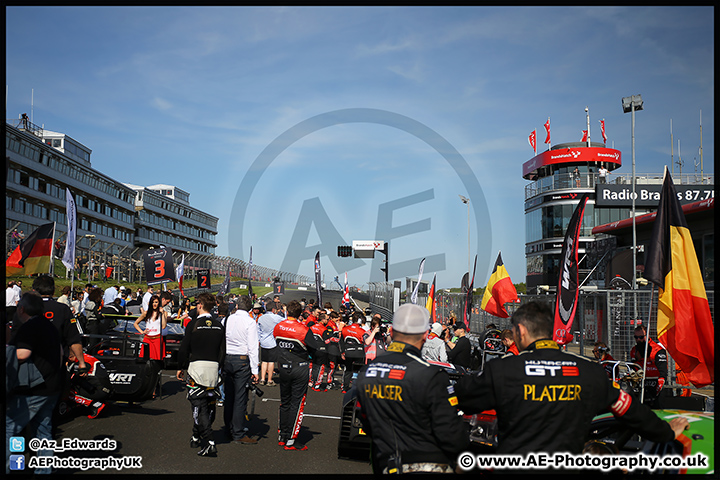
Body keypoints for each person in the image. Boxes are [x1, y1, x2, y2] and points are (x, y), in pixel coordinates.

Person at [454, 301, 689, 455]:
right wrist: (666, 432)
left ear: (521, 331)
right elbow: (628, 409)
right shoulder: (590, 371)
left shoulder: (503, 370)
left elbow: (462, 397)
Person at [355, 304, 468, 474]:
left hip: (386, 463)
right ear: (424, 335)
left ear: (391, 332)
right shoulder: (432, 375)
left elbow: (365, 420)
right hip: (427, 465)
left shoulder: (367, 371)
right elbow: (452, 435)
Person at [6, 292, 63, 474]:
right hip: (52, 386)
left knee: (10, 428)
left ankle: (11, 469)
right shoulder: (49, 326)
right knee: (43, 433)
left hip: (33, 389)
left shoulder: (28, 328)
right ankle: (43, 472)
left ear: (21, 309)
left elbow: (23, 354)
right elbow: (61, 354)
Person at [177, 292, 226, 457]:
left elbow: (184, 348)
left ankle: (210, 442)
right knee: (209, 406)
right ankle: (196, 435)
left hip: (196, 369)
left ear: (199, 305)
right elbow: (223, 351)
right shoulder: (219, 325)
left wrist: (181, 366)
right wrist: (218, 367)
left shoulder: (193, 324)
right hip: (213, 369)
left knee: (198, 407)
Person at [12, 276, 87, 374]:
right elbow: (73, 338)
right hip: (55, 365)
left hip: (27, 366)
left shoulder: (22, 311)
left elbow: (13, 338)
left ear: (33, 290)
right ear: (53, 291)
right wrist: (81, 362)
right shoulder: (62, 309)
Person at [273, 300, 320, 450]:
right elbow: (316, 349)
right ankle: (291, 440)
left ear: (287, 312)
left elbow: (277, 341)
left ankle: (283, 435)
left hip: (283, 368)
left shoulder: (278, 326)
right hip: (299, 368)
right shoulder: (304, 329)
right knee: (297, 404)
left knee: (285, 401)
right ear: (300, 314)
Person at [222, 295, 260, 445]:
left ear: (236, 306)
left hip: (228, 358)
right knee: (240, 398)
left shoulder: (227, 319)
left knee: (229, 396)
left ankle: (228, 428)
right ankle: (237, 432)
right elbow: (253, 347)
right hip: (242, 361)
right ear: (250, 308)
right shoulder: (250, 322)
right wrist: (255, 370)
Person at [629, 325, 668, 396]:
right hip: (640, 384)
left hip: (655, 383)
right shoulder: (634, 350)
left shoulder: (657, 350)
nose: (638, 339)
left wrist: (659, 386)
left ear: (647, 335)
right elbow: (632, 368)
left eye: (641, 337)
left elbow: (663, 372)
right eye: (636, 337)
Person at [133, 294, 168, 362]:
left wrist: (163, 313)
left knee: (157, 360)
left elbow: (163, 326)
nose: (154, 304)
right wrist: (142, 332)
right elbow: (135, 323)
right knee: (145, 359)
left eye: (156, 302)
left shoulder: (163, 313)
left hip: (157, 338)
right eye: (153, 302)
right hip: (147, 338)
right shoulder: (146, 313)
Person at [257, 302, 283, 386]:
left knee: (264, 361)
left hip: (263, 342)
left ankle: (262, 379)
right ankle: (269, 380)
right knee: (271, 362)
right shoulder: (275, 317)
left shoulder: (261, 318)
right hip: (272, 342)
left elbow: (258, 330)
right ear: (273, 309)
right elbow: (285, 320)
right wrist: (285, 312)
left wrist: (259, 339)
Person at [339, 312, 366, 393]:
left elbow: (341, 342)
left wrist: (342, 352)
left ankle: (344, 387)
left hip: (348, 352)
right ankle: (358, 388)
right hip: (359, 353)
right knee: (359, 371)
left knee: (348, 370)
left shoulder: (345, 329)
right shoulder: (362, 331)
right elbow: (366, 342)